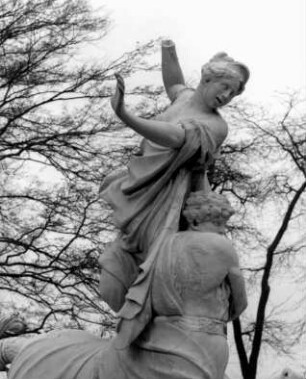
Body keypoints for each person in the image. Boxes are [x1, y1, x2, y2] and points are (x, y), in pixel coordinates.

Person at [0, 191, 247, 379]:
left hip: (157, 335)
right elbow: (240, 302)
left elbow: (121, 288)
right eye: (219, 224)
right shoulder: (222, 246)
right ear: (203, 219)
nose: (222, 230)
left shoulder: (163, 245)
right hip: (206, 341)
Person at [99, 39, 250, 312]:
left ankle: (154, 320)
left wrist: (125, 114)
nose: (227, 96)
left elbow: (175, 137)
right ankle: (133, 325)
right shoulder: (184, 97)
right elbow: (174, 84)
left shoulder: (216, 125)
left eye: (233, 93)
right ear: (206, 79)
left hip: (173, 200)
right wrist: (168, 48)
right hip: (147, 185)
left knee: (155, 263)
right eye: (224, 86)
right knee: (116, 275)